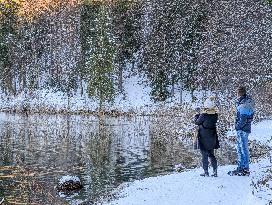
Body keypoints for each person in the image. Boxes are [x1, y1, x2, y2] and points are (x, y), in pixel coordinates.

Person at [228, 86, 254, 176]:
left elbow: (243, 118)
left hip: (243, 129)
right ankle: (241, 168)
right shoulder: (246, 101)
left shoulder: (244, 103)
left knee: (242, 149)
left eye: (237, 92)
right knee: (240, 148)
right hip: (244, 129)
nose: (236, 94)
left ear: (240, 93)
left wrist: (237, 126)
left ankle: (245, 169)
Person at [194, 96, 220, 177]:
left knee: (204, 155)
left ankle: (206, 172)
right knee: (211, 155)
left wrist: (197, 114)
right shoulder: (215, 115)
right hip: (212, 137)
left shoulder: (203, 115)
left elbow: (197, 122)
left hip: (203, 138)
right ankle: (215, 172)